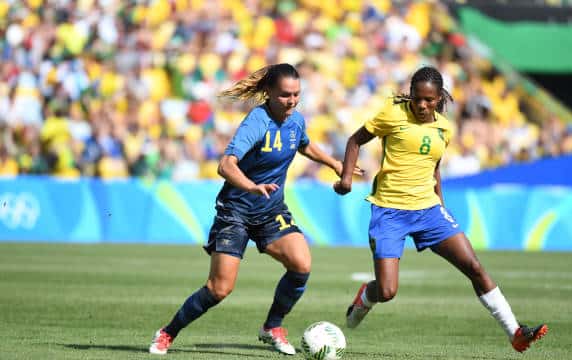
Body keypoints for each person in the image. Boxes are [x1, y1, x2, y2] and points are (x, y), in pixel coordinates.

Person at [149, 63, 362, 355]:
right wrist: (250, 186)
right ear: (269, 93)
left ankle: (272, 326)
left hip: (270, 210)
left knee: (301, 264)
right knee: (219, 289)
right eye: (285, 95)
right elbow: (225, 164)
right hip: (236, 210)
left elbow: (304, 145)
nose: (292, 100)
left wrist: (336, 164)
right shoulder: (256, 122)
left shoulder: (296, 120)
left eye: (296, 94)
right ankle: (167, 333)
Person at [333, 66, 548, 353]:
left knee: (474, 266)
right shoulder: (392, 114)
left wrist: (441, 207)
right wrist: (346, 177)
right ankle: (365, 298)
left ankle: (515, 332)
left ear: (439, 99)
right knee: (387, 291)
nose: (422, 105)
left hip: (429, 211)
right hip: (389, 211)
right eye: (417, 98)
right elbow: (354, 140)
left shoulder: (445, 128)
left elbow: (434, 169)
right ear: (410, 95)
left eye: (429, 100)